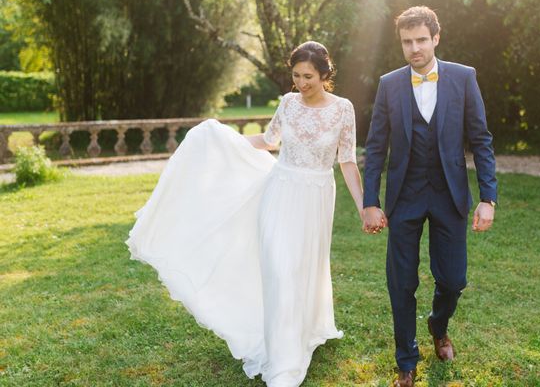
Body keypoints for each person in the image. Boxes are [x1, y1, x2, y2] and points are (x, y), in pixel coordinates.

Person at [126, 41, 364, 387]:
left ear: (325, 74)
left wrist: (362, 207)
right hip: (279, 192)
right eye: (296, 75)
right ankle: (284, 362)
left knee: (303, 270)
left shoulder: (343, 109)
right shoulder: (287, 103)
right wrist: (219, 138)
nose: (301, 83)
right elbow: (269, 140)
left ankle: (307, 328)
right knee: (280, 270)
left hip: (315, 198)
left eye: (309, 76)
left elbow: (347, 160)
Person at [362, 6, 497, 387]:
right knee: (401, 282)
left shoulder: (463, 78)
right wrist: (370, 201)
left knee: (453, 279)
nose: (415, 48)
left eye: (421, 39)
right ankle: (406, 361)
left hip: (448, 195)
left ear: (436, 38)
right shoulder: (389, 84)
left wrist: (489, 196)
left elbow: (481, 140)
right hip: (403, 197)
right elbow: (375, 148)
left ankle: (438, 326)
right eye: (407, 41)